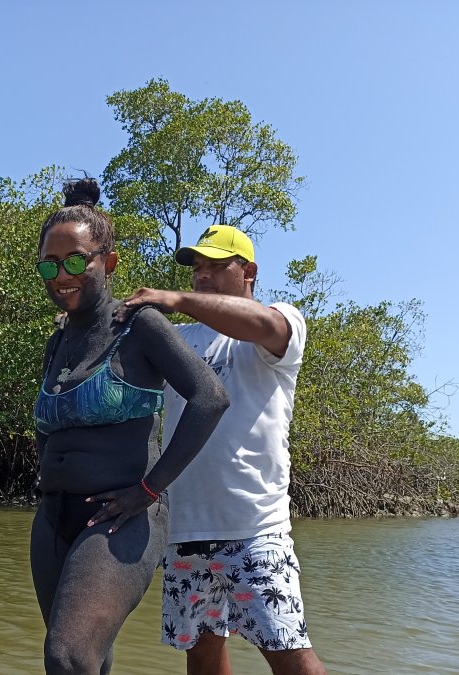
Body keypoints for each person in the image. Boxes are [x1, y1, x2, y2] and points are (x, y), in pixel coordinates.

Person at [30, 178, 230, 675]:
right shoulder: (57, 342)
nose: (62, 275)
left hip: (121, 518)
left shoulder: (138, 326)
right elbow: (49, 426)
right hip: (54, 519)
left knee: (68, 656)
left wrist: (150, 488)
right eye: (49, 265)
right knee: (89, 661)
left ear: (108, 262)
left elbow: (210, 398)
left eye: (76, 260)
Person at [116, 225, 327, 675]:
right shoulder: (180, 339)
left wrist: (175, 299)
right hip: (183, 528)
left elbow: (263, 324)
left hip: (255, 529)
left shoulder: (279, 325)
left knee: (291, 656)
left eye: (215, 266)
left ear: (248, 271)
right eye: (196, 269)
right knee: (203, 654)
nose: (202, 276)